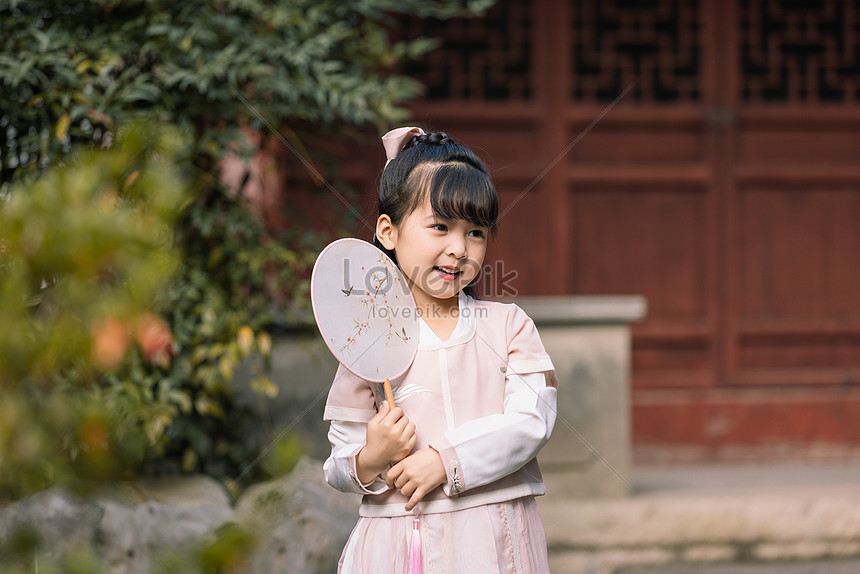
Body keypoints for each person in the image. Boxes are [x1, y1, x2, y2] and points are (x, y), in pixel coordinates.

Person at [322, 126, 558, 573]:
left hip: (493, 540)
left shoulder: (509, 327)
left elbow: (532, 421)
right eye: (440, 226)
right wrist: (372, 456)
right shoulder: (366, 339)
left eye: (475, 233)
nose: (458, 249)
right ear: (388, 232)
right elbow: (337, 463)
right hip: (398, 544)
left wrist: (444, 461)